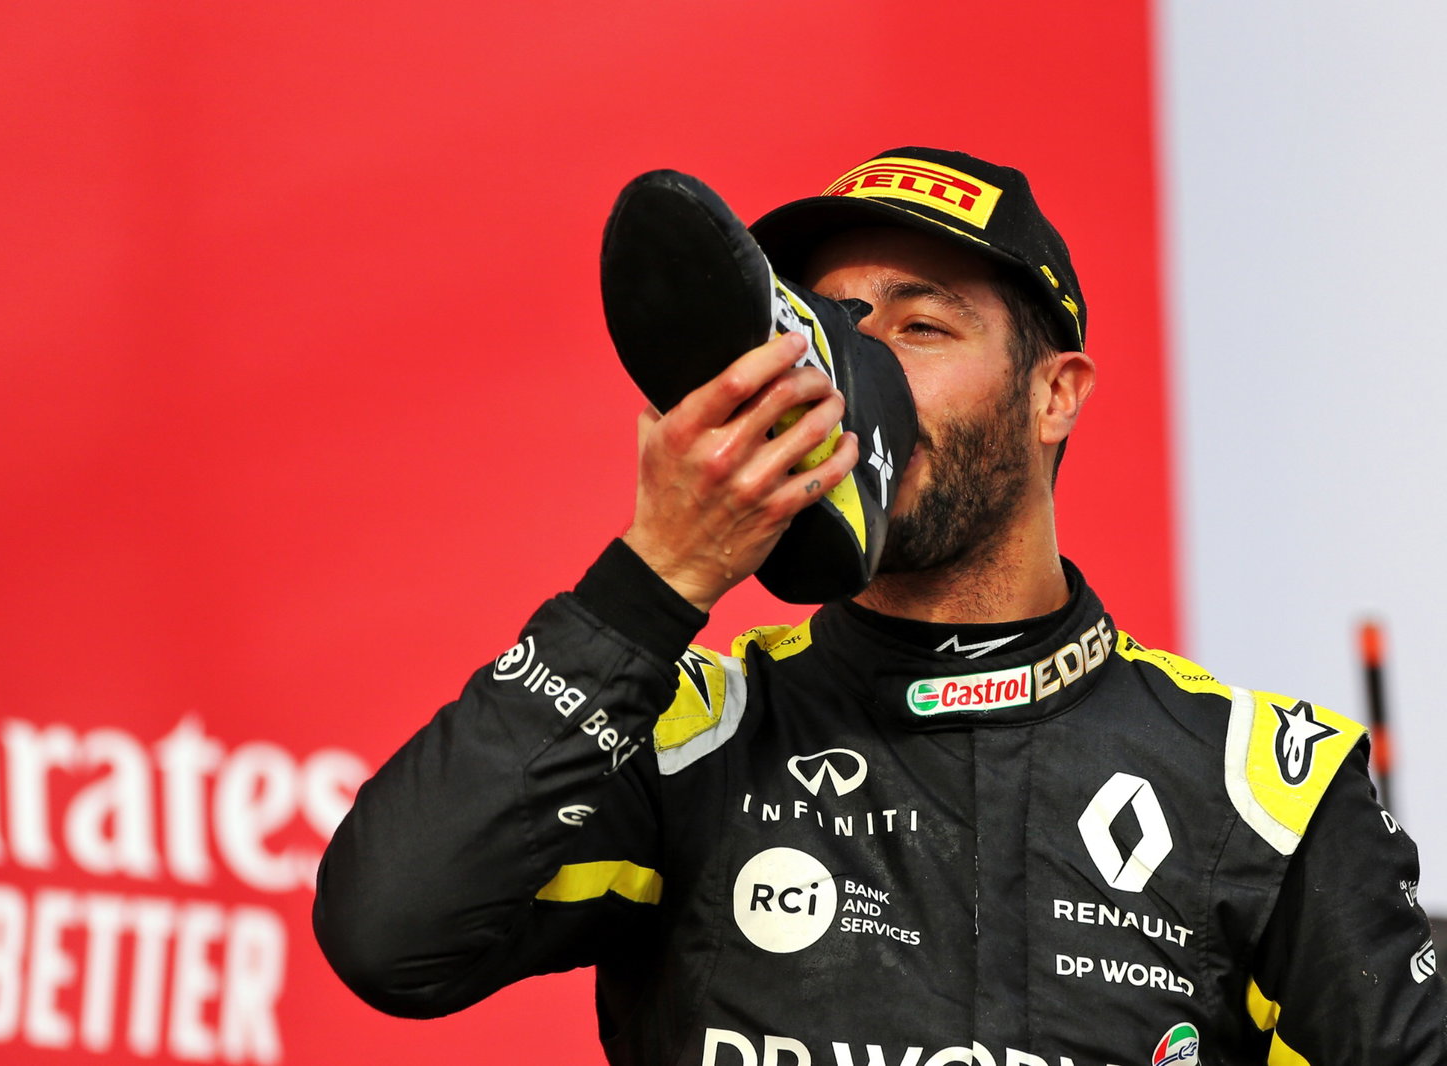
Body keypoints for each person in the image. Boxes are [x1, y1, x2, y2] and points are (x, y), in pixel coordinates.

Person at [313, 147, 1446, 1065]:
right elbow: (388, 937)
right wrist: (655, 580)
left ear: (1055, 395)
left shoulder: (1261, 784)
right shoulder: (694, 726)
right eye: (828, 331)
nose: (859, 379)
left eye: (918, 327)